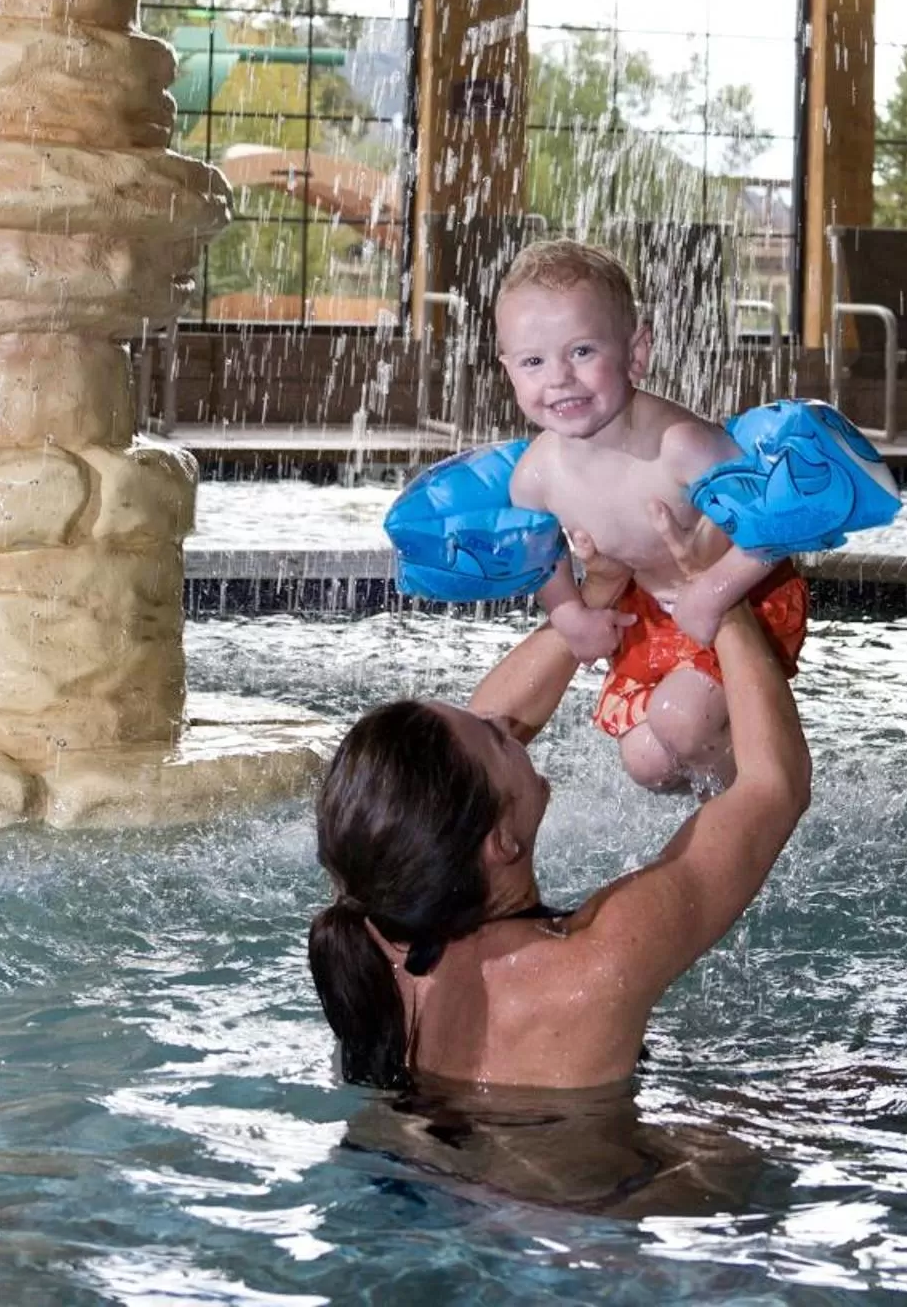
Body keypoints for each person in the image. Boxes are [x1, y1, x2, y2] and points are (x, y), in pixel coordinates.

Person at [308, 528, 810, 1094]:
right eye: (498, 739)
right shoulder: (594, 962)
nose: (506, 722)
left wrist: (593, 598)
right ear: (500, 842)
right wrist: (722, 596)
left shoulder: (378, 946)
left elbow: (449, 776)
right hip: (588, 1176)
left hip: (425, 1164)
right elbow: (773, 788)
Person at [495, 238, 810, 791]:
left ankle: (761, 795)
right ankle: (716, 803)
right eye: (534, 361)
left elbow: (779, 521)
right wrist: (569, 613)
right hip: (654, 609)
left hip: (743, 596)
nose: (560, 377)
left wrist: (714, 591)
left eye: (583, 352)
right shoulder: (535, 477)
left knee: (679, 721)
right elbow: (541, 558)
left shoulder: (681, 447)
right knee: (646, 761)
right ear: (510, 372)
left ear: (636, 352)